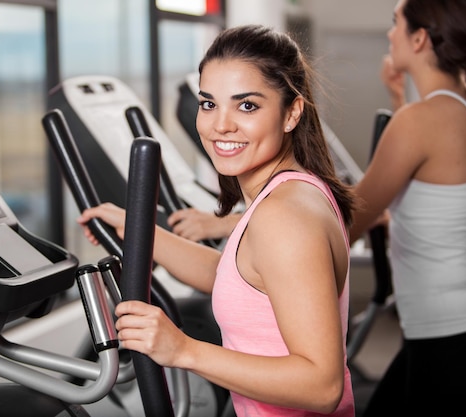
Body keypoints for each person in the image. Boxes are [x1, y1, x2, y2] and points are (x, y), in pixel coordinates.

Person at [78, 24, 356, 416]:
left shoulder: (284, 215)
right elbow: (244, 278)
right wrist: (138, 230)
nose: (220, 125)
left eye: (247, 105)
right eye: (209, 103)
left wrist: (184, 350)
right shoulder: (290, 192)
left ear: (291, 112)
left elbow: (322, 385)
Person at [348, 1, 466, 416]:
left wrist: (242, 221)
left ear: (419, 38)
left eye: (394, 23)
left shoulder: (419, 121)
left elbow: (348, 222)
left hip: (446, 340)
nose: (389, 34)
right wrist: (399, 97)